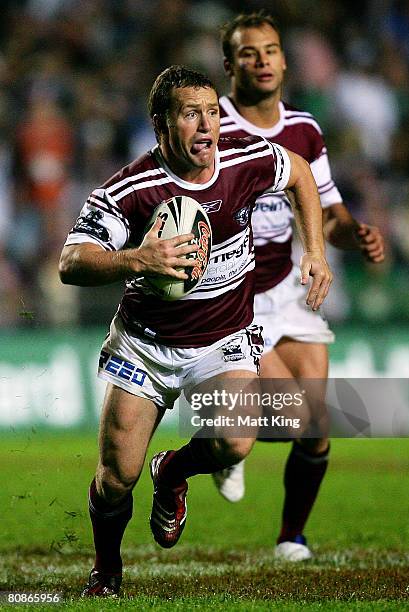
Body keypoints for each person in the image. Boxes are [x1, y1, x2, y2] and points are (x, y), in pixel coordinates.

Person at [58, 65, 332, 597]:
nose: (207, 125)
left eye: (211, 111)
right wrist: (137, 257)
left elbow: (298, 171)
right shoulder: (132, 189)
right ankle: (107, 572)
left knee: (234, 441)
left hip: (224, 337)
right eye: (190, 114)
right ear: (160, 124)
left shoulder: (244, 158)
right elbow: (71, 262)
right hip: (145, 343)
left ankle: (174, 471)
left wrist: (315, 251)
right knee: (116, 478)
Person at [212, 12, 385, 562]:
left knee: (317, 427)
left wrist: (354, 234)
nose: (261, 61)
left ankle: (292, 536)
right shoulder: (209, 123)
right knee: (292, 415)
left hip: (288, 287)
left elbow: (328, 213)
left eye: (270, 50)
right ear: (229, 65)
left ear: (285, 61)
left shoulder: (305, 129)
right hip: (232, 293)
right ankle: (225, 437)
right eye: (248, 52)